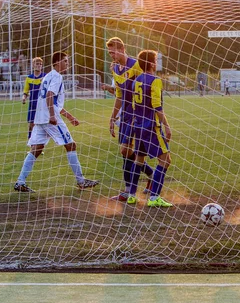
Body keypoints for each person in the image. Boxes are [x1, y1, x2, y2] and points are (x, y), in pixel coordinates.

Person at [14, 52, 99, 192]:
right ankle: (81, 181)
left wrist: (70, 117)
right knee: (71, 145)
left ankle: (20, 182)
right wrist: (52, 116)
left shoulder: (47, 76)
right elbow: (49, 96)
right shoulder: (57, 77)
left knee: (36, 149)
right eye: (65, 61)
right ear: (57, 62)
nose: (67, 63)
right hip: (49, 117)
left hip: (40, 117)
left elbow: (52, 101)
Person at [105, 37, 155, 202]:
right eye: (109, 52)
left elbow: (145, 89)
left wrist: (142, 114)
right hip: (125, 114)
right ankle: (151, 175)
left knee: (125, 150)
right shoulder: (116, 69)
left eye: (113, 52)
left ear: (122, 48)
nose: (111, 55)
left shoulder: (136, 66)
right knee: (126, 151)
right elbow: (119, 95)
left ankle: (128, 191)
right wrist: (113, 117)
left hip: (138, 114)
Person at [125, 50, 173, 207]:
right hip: (151, 127)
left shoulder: (136, 81)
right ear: (152, 63)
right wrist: (167, 126)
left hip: (138, 126)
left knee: (139, 160)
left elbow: (133, 106)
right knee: (165, 160)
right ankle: (154, 197)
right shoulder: (155, 81)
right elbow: (157, 107)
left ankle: (131, 194)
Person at [22, 57, 45, 140]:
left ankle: (40, 146)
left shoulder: (45, 77)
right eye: (37, 64)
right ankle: (31, 146)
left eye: (40, 64)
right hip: (33, 105)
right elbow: (26, 91)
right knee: (31, 125)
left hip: (43, 105)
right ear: (33, 65)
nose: (39, 65)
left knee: (42, 126)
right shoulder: (29, 78)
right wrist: (24, 97)